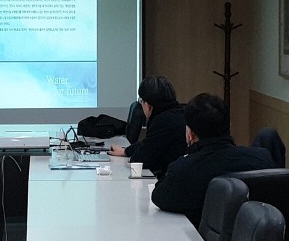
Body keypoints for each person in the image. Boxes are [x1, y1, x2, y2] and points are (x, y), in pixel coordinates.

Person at [151, 93, 276, 227]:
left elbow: (159, 197)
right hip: (254, 235)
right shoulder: (263, 159)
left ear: (190, 134)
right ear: (228, 126)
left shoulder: (184, 169)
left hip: (199, 238)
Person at [108, 76, 186, 177]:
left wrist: (131, 156)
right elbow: (148, 142)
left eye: (141, 101)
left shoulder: (162, 121)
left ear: (148, 105)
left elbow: (141, 160)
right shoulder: (180, 113)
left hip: (172, 178)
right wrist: (126, 151)